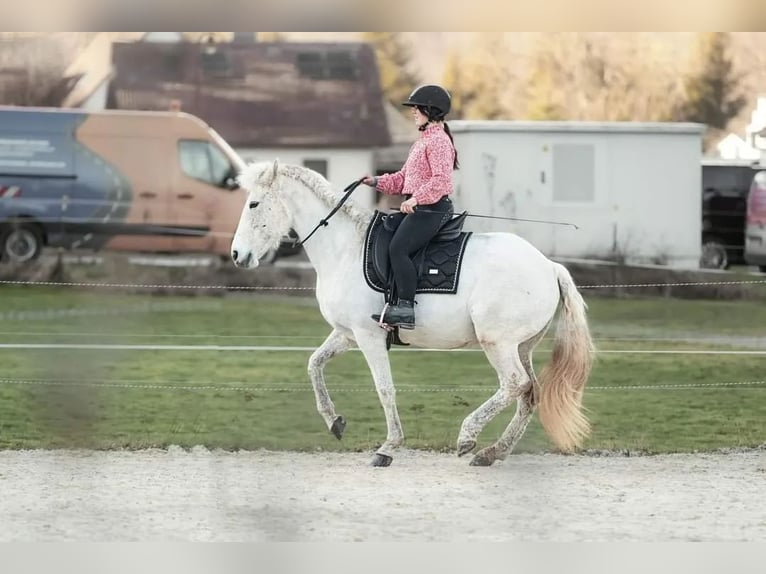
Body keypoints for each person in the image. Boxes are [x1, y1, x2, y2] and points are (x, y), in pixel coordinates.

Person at [362, 84, 460, 329]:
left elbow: (441, 180)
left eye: (416, 108)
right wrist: (376, 181)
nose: (413, 112)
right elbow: (403, 178)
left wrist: (416, 199)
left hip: (432, 208)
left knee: (398, 249)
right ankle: (390, 299)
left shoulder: (438, 141)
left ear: (430, 110)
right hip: (420, 207)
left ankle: (405, 307)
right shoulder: (422, 142)